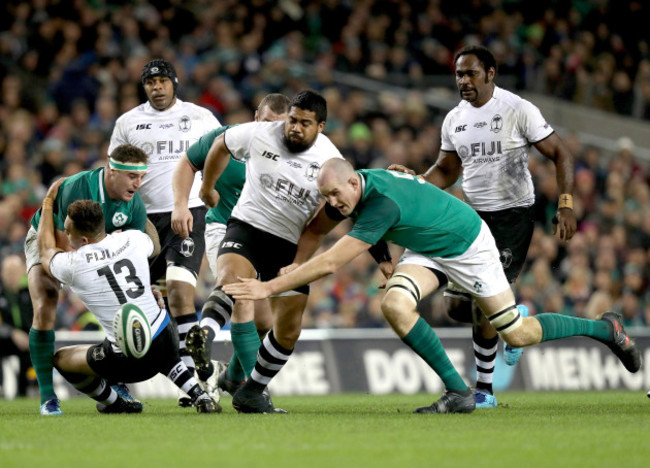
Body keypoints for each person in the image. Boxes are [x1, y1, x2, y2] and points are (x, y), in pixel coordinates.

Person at [223, 159, 641, 414]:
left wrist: (267, 289)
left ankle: (607, 329)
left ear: (353, 183)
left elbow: (332, 261)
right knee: (394, 305)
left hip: (467, 243)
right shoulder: (360, 186)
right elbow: (334, 229)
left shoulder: (378, 203)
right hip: (427, 247)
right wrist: (383, 259)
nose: (333, 203)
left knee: (516, 331)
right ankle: (458, 391)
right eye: (326, 196)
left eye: (335, 194)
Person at [389, 45, 577, 408]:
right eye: (459, 74)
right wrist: (416, 183)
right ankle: (513, 314)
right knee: (457, 310)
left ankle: (484, 391)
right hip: (471, 218)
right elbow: (446, 170)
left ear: (491, 74)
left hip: (511, 217)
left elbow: (560, 152)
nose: (464, 81)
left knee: (482, 307)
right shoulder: (454, 119)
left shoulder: (517, 109)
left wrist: (566, 203)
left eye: (471, 73)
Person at [184, 90, 388, 413]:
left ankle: (245, 386)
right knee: (232, 283)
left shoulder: (330, 160)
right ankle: (206, 338)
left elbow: (354, 206)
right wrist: (207, 187)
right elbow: (220, 145)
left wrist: (382, 258)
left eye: (304, 123)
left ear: (320, 126)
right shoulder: (259, 133)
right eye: (293, 120)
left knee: (287, 330)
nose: (294, 128)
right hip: (247, 227)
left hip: (290, 244)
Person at [37, 181, 219, 414]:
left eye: (68, 230)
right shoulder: (131, 239)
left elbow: (45, 251)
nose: (66, 234)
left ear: (82, 239)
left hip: (127, 361)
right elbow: (154, 245)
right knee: (160, 341)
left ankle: (115, 402)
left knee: (62, 359)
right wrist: (137, 206)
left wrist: (48, 202)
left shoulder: (72, 264)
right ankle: (199, 394)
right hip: (165, 339)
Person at [108, 59, 221, 406]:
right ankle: (125, 377)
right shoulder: (127, 122)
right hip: (141, 221)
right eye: (150, 82)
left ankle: (197, 380)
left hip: (187, 213)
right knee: (138, 303)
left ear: (174, 82)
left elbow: (223, 153)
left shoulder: (201, 117)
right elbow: (114, 171)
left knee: (179, 293)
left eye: (162, 80)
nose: (156, 87)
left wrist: (212, 193)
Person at [171, 93, 290, 396]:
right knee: (242, 298)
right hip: (223, 228)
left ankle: (232, 377)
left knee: (265, 322)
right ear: (255, 117)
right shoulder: (228, 139)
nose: (268, 132)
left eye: (277, 127)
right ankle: (254, 394)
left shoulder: (294, 155)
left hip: (265, 234)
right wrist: (181, 204)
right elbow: (187, 162)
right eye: (264, 123)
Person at [25, 143, 155, 415]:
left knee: (120, 301)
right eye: (132, 177)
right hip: (48, 238)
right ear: (111, 171)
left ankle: (116, 382)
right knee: (46, 299)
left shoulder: (134, 204)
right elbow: (57, 252)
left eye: (142, 177)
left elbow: (139, 251)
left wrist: (148, 286)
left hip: (92, 252)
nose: (138, 184)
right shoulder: (77, 189)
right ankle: (48, 397)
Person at [0, 255, 32, 397]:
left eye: (14, 271)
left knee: (35, 348)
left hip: (28, 338)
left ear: (23, 271)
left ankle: (24, 392)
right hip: (5, 338)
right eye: (7, 271)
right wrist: (12, 332)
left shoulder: (31, 292)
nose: (10, 275)